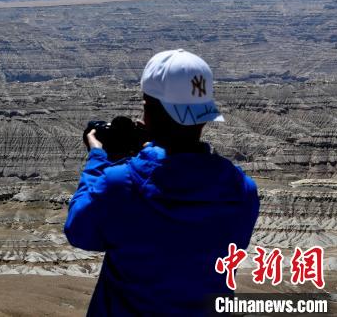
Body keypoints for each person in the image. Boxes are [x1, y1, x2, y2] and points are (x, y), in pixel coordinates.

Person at [65, 49, 260, 316]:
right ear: (204, 115)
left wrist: (99, 158)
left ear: (149, 113)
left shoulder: (121, 184)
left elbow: (79, 231)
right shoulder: (242, 190)